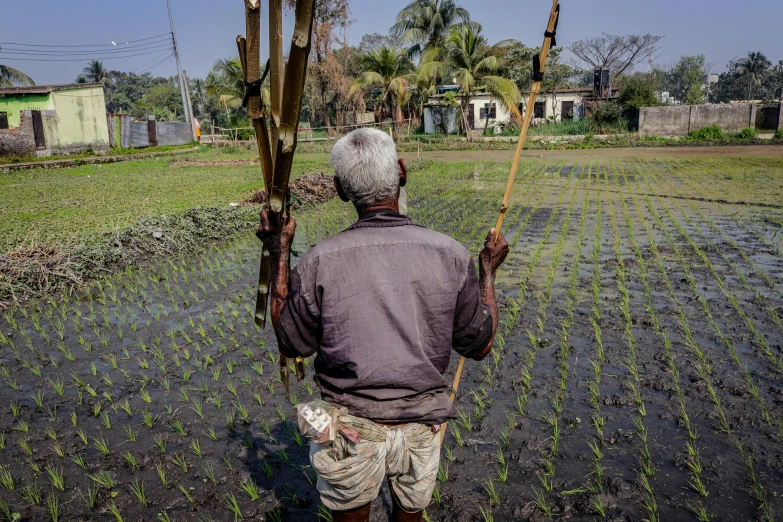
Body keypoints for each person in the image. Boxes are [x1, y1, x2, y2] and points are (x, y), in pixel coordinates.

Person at [257, 128, 509, 522]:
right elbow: (479, 345)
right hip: (422, 427)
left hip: (349, 429)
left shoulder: (319, 261)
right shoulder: (450, 254)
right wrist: (488, 274)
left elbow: (291, 344)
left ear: (340, 189)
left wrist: (279, 252)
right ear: (402, 172)